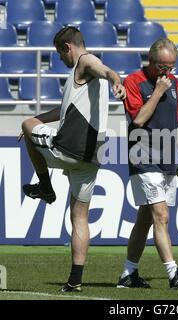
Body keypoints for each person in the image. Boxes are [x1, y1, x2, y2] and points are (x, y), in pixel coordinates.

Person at [21, 26, 126, 292]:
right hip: (91, 157)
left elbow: (102, 68)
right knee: (79, 217)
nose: (60, 60)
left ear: (68, 47)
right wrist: (40, 120)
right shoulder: (78, 79)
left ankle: (45, 186)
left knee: (25, 125)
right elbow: (65, 109)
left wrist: (115, 79)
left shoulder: (84, 61)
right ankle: (75, 280)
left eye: (60, 54)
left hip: (67, 149)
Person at [117, 38, 178, 289]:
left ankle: (127, 275)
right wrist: (159, 92)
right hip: (142, 157)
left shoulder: (173, 83)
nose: (168, 72)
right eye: (163, 67)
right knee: (161, 215)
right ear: (150, 62)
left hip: (166, 160)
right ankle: (174, 274)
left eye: (171, 67)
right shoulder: (133, 82)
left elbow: (175, 125)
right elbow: (139, 119)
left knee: (146, 218)